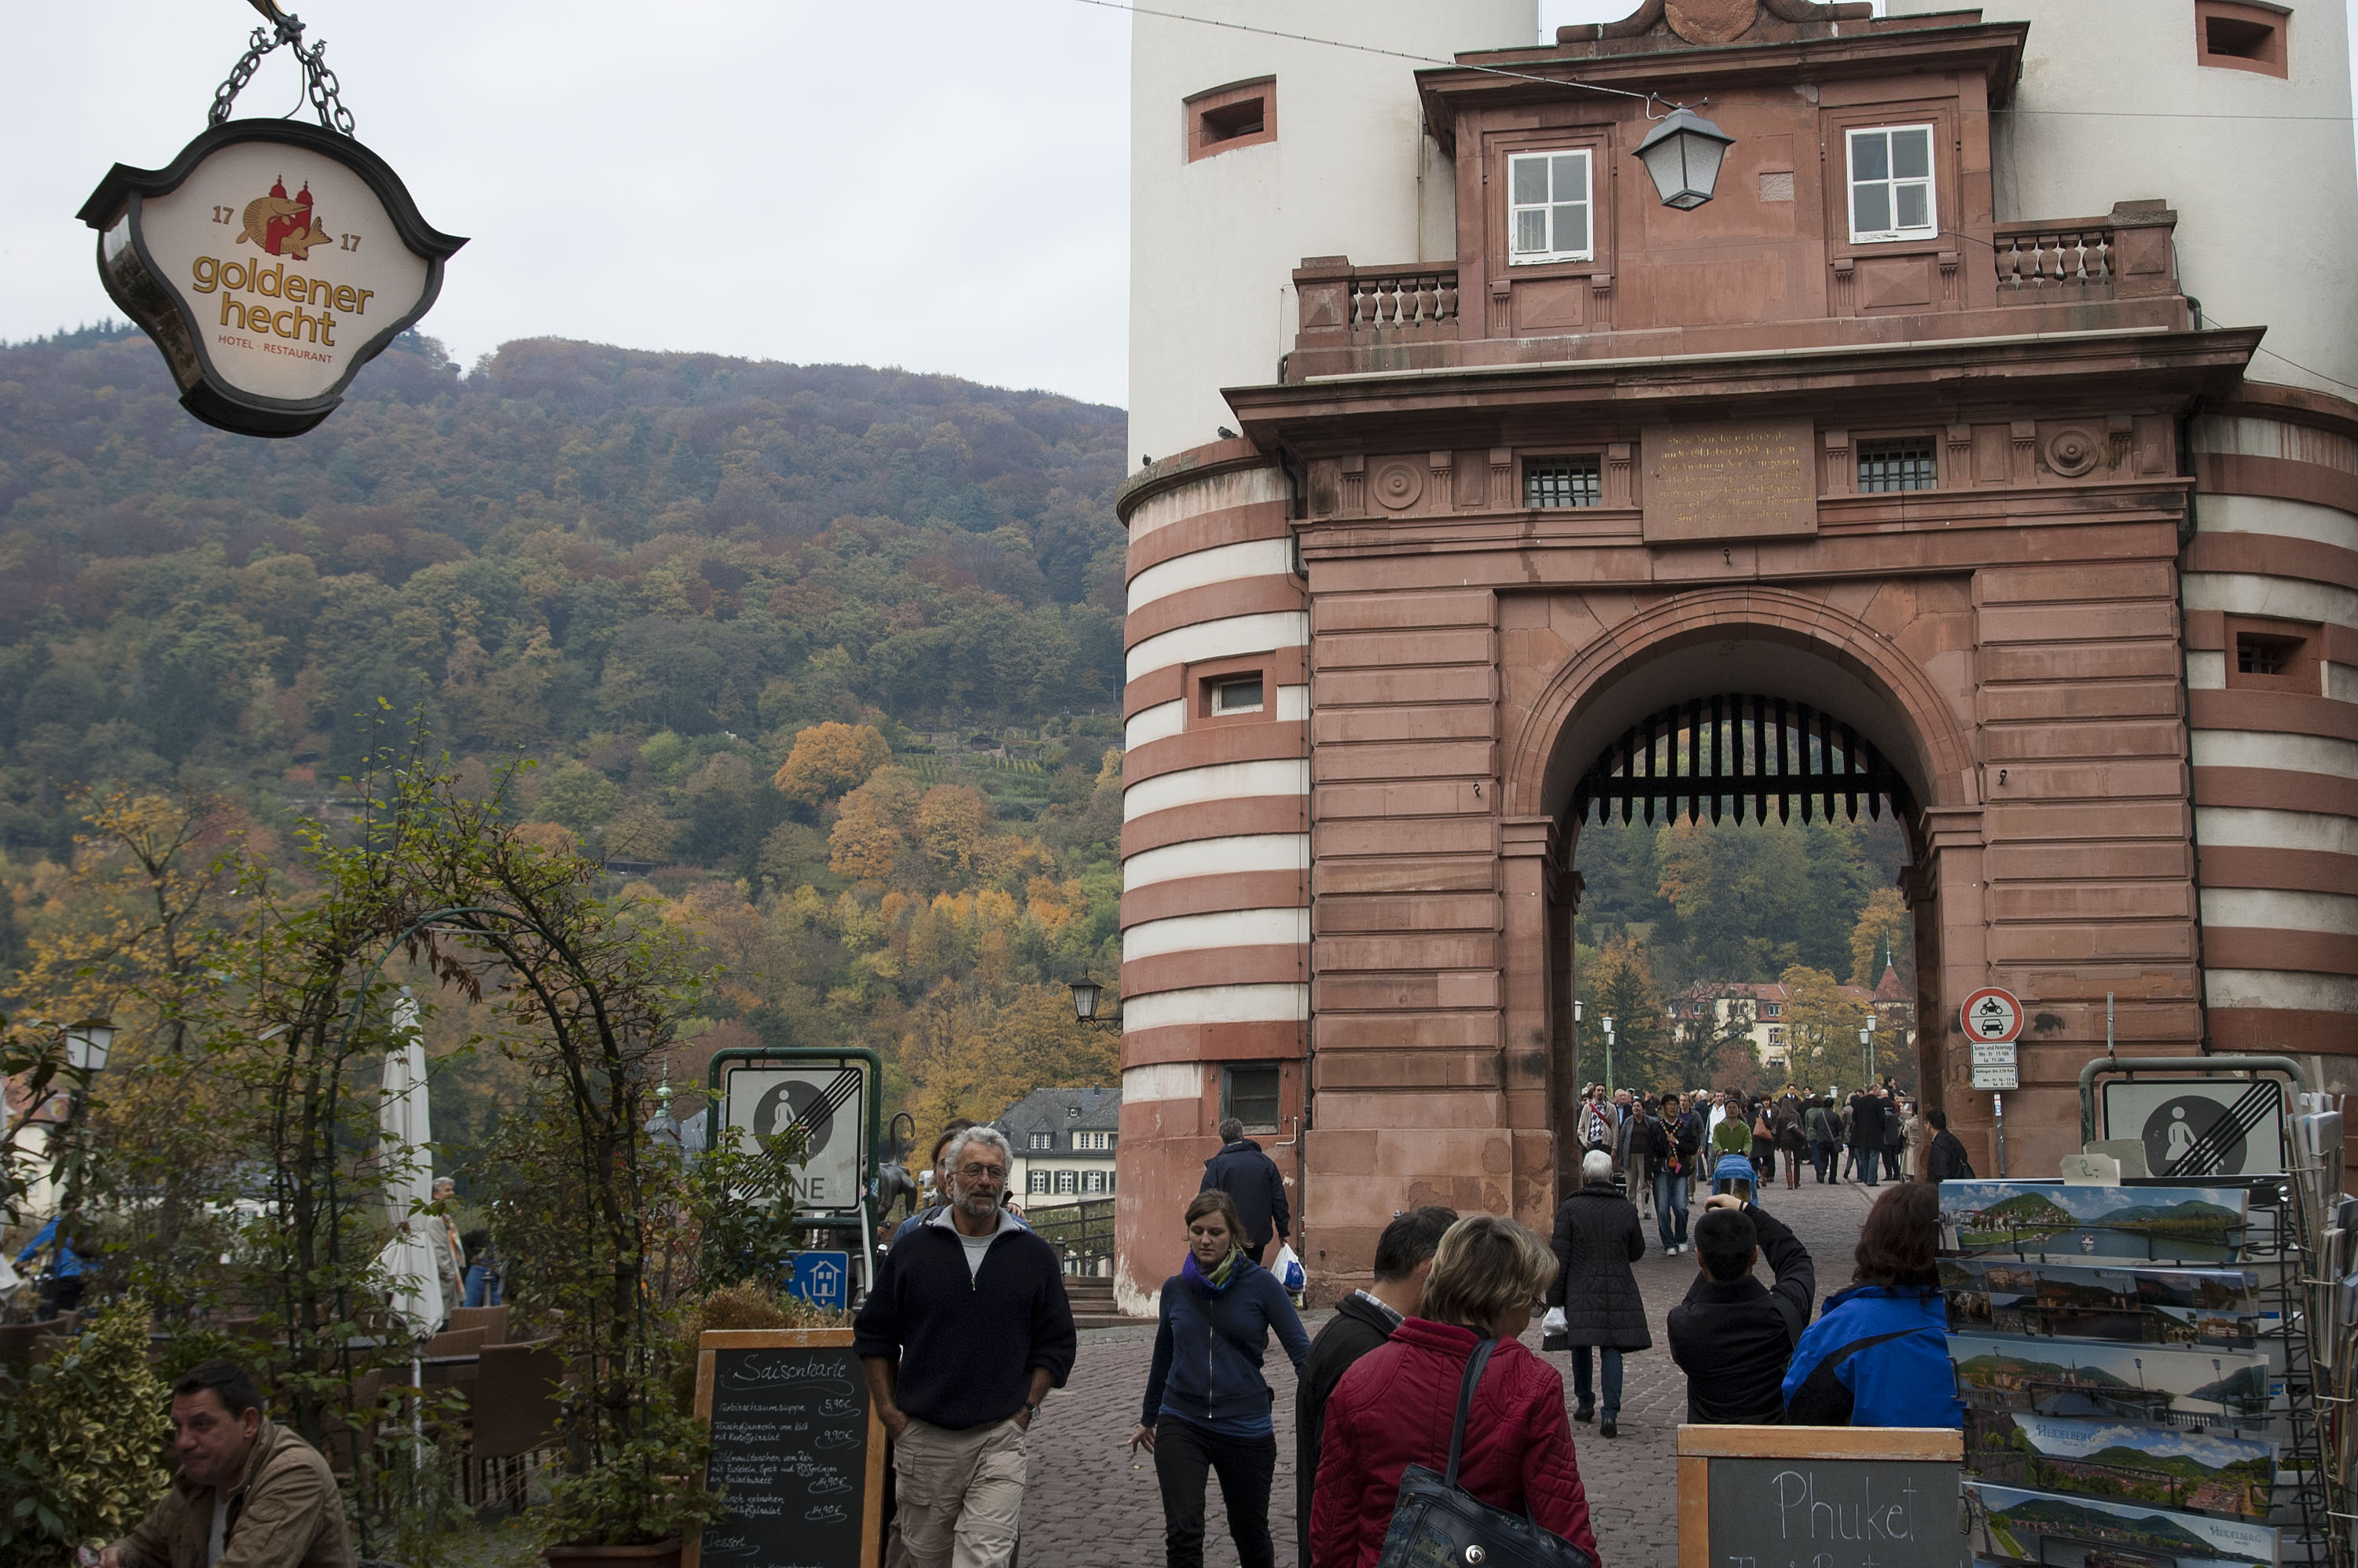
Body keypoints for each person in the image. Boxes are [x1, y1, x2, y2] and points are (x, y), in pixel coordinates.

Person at [1310, 1215, 1599, 1568]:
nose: (1528, 1320)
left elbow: (1331, 1537)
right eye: (1533, 1305)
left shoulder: (1361, 1378)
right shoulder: (1530, 1383)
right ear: (1508, 1300)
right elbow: (1565, 1534)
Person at [856, 1126, 1077, 1568]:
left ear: (1006, 1180)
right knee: (925, 1559)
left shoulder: (1033, 1255)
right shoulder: (913, 1250)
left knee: (985, 1558)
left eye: (995, 1172)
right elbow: (874, 1335)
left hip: (999, 1439)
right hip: (924, 1438)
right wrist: (889, 1414)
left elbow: (1057, 1342)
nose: (985, 1181)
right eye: (973, 1169)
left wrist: (1026, 1410)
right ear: (949, 1178)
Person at [1130, 1192, 1311, 1568]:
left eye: (1215, 1231)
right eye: (1196, 1231)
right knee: (1183, 1532)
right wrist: (1149, 1417)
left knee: (1250, 1532)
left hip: (1246, 1427)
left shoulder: (1261, 1285)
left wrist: (1327, 1402)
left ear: (1234, 1235)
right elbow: (1163, 1356)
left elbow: (1302, 1353)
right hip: (1183, 1421)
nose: (1204, 1240)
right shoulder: (1176, 1289)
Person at [1294, 1206, 1457, 1568]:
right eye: (1457, 1273)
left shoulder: (1351, 1332)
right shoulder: (1368, 1350)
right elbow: (1344, 1490)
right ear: (1430, 1269)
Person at [101, 1359, 354, 1568]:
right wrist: (117, 1557)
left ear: (248, 1423)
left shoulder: (294, 1474)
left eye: (201, 1424)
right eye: (178, 1427)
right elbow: (140, 1546)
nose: (183, 1442)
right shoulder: (201, 1478)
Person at [1783, 1183, 1960, 1428]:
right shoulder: (1981, 1325)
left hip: (1875, 1464)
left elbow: (1802, 1416)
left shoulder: (1840, 1331)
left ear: (1874, 1239)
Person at [1666, 1193, 1816, 1424]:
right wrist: (1747, 1210)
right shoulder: (1784, 1314)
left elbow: (1693, 1301)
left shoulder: (1683, 1325)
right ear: (1755, 1255)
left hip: (1711, 1451)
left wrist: (1716, 1251)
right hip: (1772, 1445)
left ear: (1699, 1258)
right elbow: (1796, 1259)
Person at [1546, 1148, 1648, 1438]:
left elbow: (1560, 1255)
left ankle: (1585, 1402)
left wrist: (1554, 1298)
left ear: (1585, 1176)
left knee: (1580, 1344)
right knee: (1612, 1348)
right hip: (1618, 1285)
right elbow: (1637, 1251)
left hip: (1579, 1286)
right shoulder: (1626, 1208)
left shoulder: (1570, 1208)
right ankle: (1611, 1413)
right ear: (1609, 1175)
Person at [1200, 1118, 1291, 1267]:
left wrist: (1204, 1233)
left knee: (1228, 1276)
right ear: (1242, 1135)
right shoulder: (1265, 1162)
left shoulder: (1217, 1166)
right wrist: (1283, 1231)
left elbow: (1205, 1202)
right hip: (1258, 1234)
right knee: (1251, 1272)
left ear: (1223, 1140)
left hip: (1228, 1234)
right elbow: (1278, 1199)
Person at [1649, 1090, 1699, 1254]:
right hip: (1662, 1171)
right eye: (1669, 1105)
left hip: (1680, 1171)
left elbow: (1693, 1147)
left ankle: (1681, 1236)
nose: (1672, 1107)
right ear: (1663, 1108)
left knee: (1681, 1207)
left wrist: (1676, 1142)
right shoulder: (1656, 1127)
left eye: (1675, 1104)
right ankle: (1668, 1242)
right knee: (1662, 1209)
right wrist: (1648, 1173)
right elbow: (1649, 1151)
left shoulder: (1685, 1127)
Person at [1923, 1107, 1974, 1184]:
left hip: (1946, 1190)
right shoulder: (1950, 1138)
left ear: (1929, 1125)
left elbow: (1942, 1172)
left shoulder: (1940, 1144)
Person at [1773, 1096, 1807, 1192]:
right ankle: (1797, 1182)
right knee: (1797, 1162)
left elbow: (1778, 1131)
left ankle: (1790, 1183)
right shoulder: (1796, 1115)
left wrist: (1777, 1144)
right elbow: (1801, 1129)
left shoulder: (1781, 1117)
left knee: (1788, 1163)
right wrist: (1803, 1141)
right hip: (1796, 1140)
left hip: (1785, 1140)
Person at [1805, 1096, 1840, 1185]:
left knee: (1823, 1159)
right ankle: (1832, 1178)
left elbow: (1814, 1126)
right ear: (1832, 1105)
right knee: (1834, 1160)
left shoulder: (1820, 1115)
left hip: (1822, 1140)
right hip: (1832, 1140)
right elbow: (1840, 1127)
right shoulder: (1835, 1115)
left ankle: (1821, 1174)